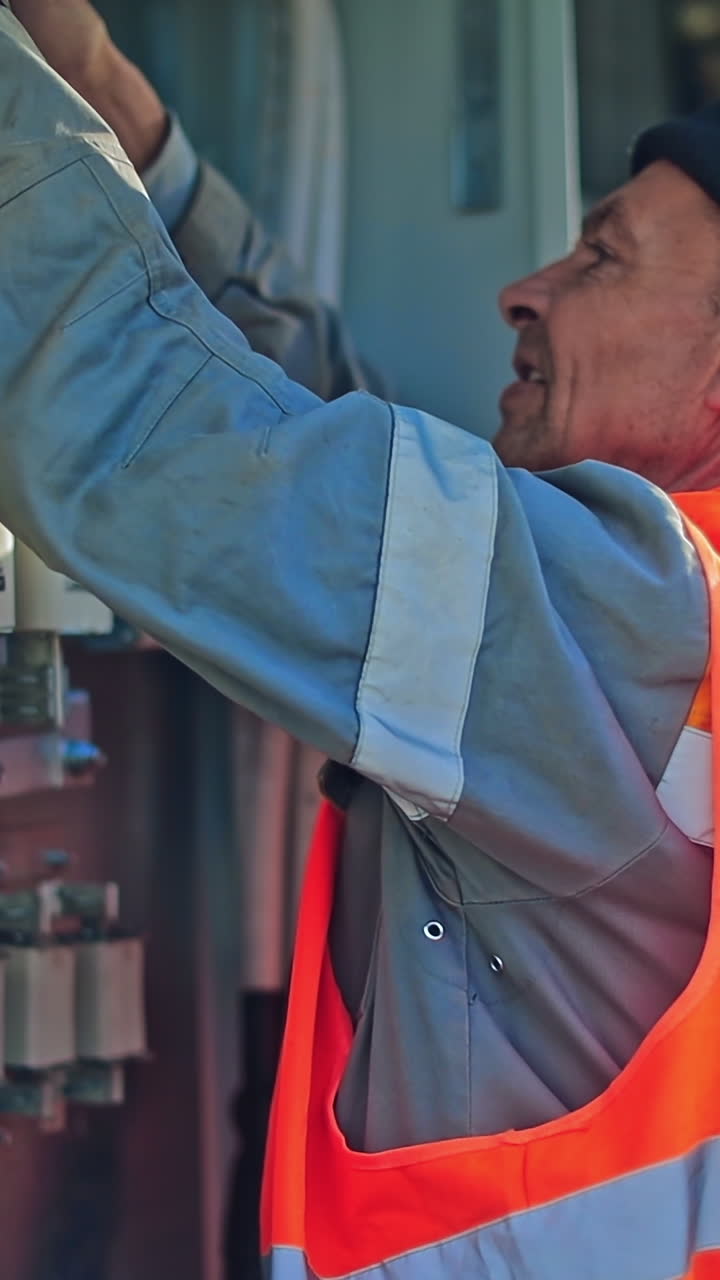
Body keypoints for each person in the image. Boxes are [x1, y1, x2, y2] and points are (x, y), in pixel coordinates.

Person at [3, 2, 720, 1275]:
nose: (526, 289)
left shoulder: (627, 609)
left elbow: (160, 440)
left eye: (602, 259)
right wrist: (101, 87)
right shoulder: (665, 607)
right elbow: (329, 432)